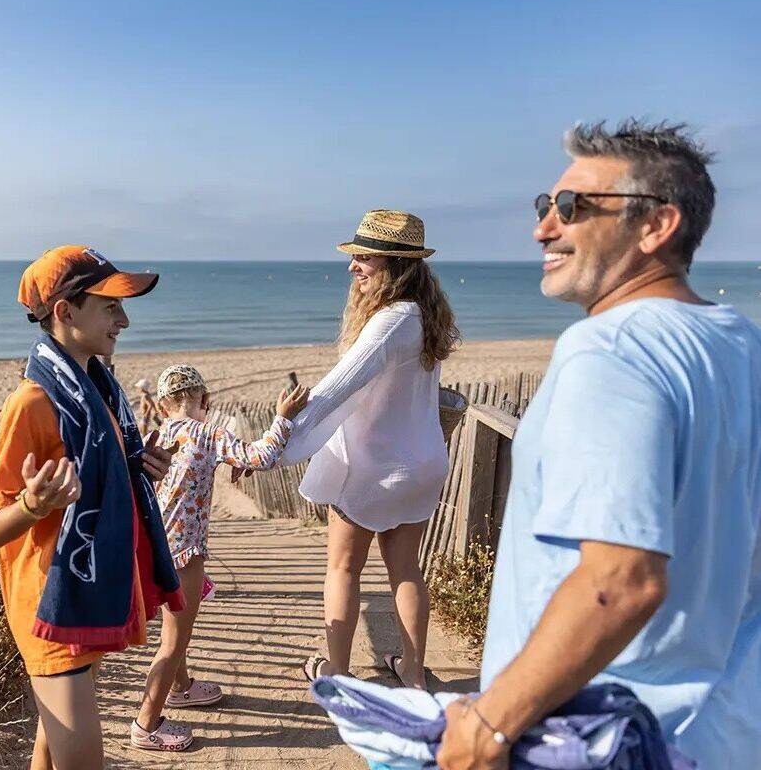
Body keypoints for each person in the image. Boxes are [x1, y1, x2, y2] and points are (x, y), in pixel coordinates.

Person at [437, 120, 761, 770]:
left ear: (655, 226)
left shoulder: (608, 350)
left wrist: (492, 725)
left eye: (571, 208)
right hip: (722, 732)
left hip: (603, 737)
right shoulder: (742, 344)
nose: (543, 229)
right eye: (545, 206)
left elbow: (621, 580)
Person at [0, 246, 184, 770]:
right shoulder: (34, 403)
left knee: (52, 753)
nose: (125, 319)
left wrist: (137, 464)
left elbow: (100, 472)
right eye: (110, 305)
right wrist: (31, 503)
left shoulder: (98, 388)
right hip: (51, 602)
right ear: (65, 312)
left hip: (81, 595)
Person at [281, 209, 459, 690]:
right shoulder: (422, 315)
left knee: (342, 568)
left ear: (394, 264)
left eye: (364, 258)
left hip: (374, 467)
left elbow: (337, 387)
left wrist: (280, 435)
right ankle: (414, 675)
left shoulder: (388, 322)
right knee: (405, 570)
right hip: (420, 463)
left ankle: (337, 675)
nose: (353, 266)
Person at [134, 364, 309, 750]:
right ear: (206, 401)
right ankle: (146, 725)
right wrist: (282, 419)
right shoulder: (209, 433)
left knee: (173, 627)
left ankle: (181, 688)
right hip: (186, 553)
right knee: (174, 640)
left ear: (163, 407)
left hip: (155, 548)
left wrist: (232, 462)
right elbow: (262, 456)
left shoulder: (156, 435)